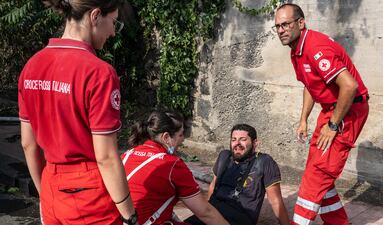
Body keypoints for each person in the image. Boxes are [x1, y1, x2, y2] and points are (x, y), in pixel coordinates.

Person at [18, 0, 137, 224]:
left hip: (51, 187)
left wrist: (45, 194)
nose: (113, 32)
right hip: (88, 195)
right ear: (94, 16)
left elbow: (28, 144)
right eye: (113, 22)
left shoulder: (31, 66)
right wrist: (129, 215)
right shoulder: (99, 72)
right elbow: (106, 157)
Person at [273, 3, 369, 225]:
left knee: (317, 175)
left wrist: (333, 125)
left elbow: (349, 86)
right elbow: (310, 84)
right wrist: (303, 119)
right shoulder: (297, 50)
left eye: (285, 24)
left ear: (300, 23)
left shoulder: (315, 48)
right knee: (317, 170)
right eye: (277, 26)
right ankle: (337, 222)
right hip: (332, 110)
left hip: (348, 110)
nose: (281, 30)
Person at [121, 110, 229, 225]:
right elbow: (205, 212)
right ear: (166, 137)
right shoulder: (172, 165)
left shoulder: (126, 155)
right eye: (181, 134)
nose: (183, 140)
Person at [185, 124, 290, 225]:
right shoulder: (224, 156)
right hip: (213, 212)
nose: (237, 143)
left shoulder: (264, 161)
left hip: (240, 217)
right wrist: (207, 208)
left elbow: (276, 201)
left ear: (255, 143)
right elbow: (214, 184)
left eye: (243, 139)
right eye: (233, 139)